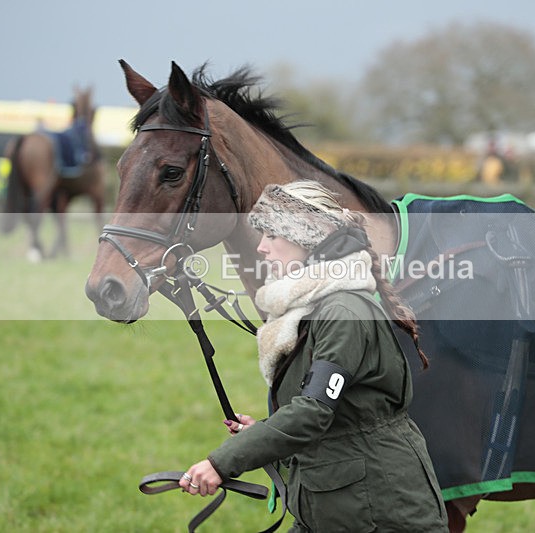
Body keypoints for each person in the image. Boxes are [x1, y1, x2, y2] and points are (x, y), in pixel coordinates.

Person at [180, 181, 448, 532]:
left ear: (308, 239)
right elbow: (331, 411)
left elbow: (314, 411)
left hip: (381, 512)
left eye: (272, 236)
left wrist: (222, 462)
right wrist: (262, 433)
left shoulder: (343, 312)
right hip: (337, 507)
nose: (261, 248)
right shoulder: (317, 307)